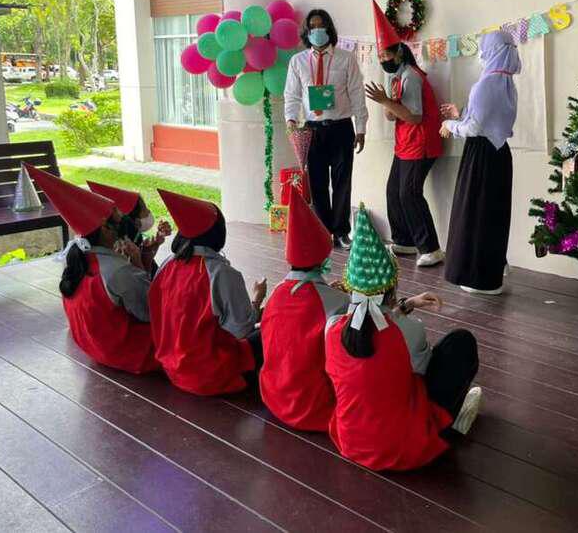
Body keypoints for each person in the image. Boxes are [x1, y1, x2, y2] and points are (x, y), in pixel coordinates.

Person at [324, 204, 482, 471]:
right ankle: (452, 420)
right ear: (392, 289)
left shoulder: (332, 328)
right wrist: (404, 311)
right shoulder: (409, 330)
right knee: (460, 342)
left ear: (349, 287)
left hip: (352, 442)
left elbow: (370, 324)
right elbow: (422, 373)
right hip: (400, 448)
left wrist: (406, 306)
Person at [23, 163, 158, 374]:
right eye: (118, 217)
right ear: (105, 228)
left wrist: (143, 259)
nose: (124, 221)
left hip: (94, 348)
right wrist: (139, 264)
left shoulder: (77, 257)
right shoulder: (117, 269)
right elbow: (150, 312)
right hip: (132, 353)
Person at [148, 189, 267, 396]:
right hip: (210, 374)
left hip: (173, 368)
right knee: (271, 330)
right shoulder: (220, 273)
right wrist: (257, 300)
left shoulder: (168, 265)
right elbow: (241, 329)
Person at [259, 189, 349, 431]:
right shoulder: (338, 301)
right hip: (313, 409)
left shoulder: (277, 292)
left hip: (274, 399)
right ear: (323, 257)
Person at [364, 0, 444, 267]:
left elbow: (414, 116)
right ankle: (405, 240)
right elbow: (392, 115)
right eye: (379, 57)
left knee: (409, 193)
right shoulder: (395, 76)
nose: (383, 60)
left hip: (421, 144)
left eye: (385, 56)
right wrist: (386, 102)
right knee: (393, 191)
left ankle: (431, 248)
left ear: (398, 53)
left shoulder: (411, 76)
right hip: (404, 144)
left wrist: (386, 102)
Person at [440, 30, 520, 295]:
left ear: (492, 51)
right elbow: (487, 119)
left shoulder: (487, 83)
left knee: (473, 214)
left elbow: (474, 128)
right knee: (491, 215)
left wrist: (449, 124)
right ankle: (490, 273)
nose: (481, 54)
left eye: (484, 49)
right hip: (499, 155)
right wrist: (461, 113)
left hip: (481, 157)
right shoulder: (507, 82)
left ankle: (477, 278)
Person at [284, 8, 368, 249]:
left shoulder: (346, 58)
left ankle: (341, 231)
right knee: (318, 183)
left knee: (342, 182)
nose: (317, 31)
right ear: (307, 32)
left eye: (321, 26)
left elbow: (357, 94)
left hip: (341, 128)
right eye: (312, 27)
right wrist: (291, 119)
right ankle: (323, 231)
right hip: (312, 130)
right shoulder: (298, 61)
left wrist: (361, 127)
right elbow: (292, 94)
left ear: (329, 29)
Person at [87, 181, 171, 278]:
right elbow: (143, 283)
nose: (149, 213)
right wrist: (138, 262)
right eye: (145, 210)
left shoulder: (131, 242)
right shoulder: (118, 263)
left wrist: (151, 249)